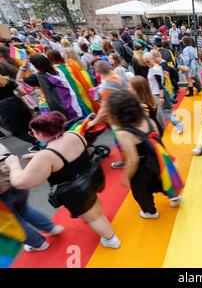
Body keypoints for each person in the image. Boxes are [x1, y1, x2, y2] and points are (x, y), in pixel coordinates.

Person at [5, 112, 121, 249]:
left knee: (93, 218)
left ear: (41, 134)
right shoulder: (74, 135)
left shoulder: (46, 156)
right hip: (92, 178)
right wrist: (41, 157)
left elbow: (20, 181)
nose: (32, 134)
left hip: (76, 191)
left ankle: (111, 239)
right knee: (93, 203)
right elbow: (68, 154)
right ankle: (98, 217)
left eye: (32, 132)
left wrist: (14, 165)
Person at [108, 91, 180, 219]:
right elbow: (158, 135)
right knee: (162, 179)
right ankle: (174, 196)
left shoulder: (123, 133)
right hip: (157, 158)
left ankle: (150, 212)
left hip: (141, 168)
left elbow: (133, 159)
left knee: (141, 191)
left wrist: (125, 177)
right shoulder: (147, 120)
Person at [0, 147, 64, 253]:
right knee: (24, 209)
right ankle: (51, 228)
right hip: (15, 180)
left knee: (14, 221)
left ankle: (38, 243)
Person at [143, 51, 184, 134]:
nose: (146, 63)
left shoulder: (154, 69)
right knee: (160, 113)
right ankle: (162, 127)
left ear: (150, 60)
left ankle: (178, 124)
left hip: (157, 94)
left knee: (164, 112)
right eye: (145, 62)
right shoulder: (156, 67)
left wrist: (161, 97)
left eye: (147, 61)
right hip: (156, 93)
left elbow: (160, 84)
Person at [0, 74, 36, 146]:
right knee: (30, 124)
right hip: (18, 102)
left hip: (4, 107)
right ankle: (43, 140)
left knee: (17, 131)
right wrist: (14, 97)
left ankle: (38, 143)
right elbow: (23, 92)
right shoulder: (6, 80)